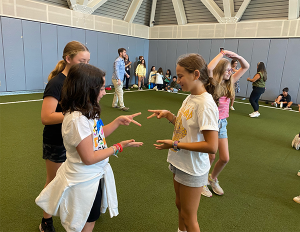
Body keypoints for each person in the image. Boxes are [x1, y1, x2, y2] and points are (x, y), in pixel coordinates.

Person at [36, 63, 143, 232]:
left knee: (88, 219)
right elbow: (89, 157)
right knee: (86, 222)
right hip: (84, 180)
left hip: (92, 176)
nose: (104, 91)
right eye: (101, 88)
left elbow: (96, 137)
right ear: (87, 90)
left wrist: (117, 122)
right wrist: (118, 147)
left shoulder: (87, 110)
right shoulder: (77, 119)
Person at [147, 53, 219, 232]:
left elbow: (212, 146)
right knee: (180, 205)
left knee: (189, 215)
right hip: (180, 161)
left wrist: (175, 145)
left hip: (192, 168)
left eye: (180, 76)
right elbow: (187, 128)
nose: (177, 80)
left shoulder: (205, 104)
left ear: (195, 74)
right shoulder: (190, 97)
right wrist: (170, 116)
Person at [40, 41, 90, 232]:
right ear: (68, 59)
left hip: (76, 139)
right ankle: (46, 221)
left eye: (88, 61)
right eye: (81, 61)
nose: (85, 65)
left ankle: (82, 213)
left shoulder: (81, 81)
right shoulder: (56, 83)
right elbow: (46, 117)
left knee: (77, 177)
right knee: (54, 181)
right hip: (56, 141)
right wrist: (75, 113)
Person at [203, 50, 249, 197]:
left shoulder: (230, 82)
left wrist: (238, 57)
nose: (230, 72)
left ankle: (212, 179)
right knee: (210, 156)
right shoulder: (212, 83)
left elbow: (245, 67)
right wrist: (222, 53)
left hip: (222, 124)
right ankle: (201, 182)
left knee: (224, 158)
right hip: (210, 124)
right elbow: (210, 68)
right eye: (227, 69)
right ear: (221, 70)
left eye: (231, 69)